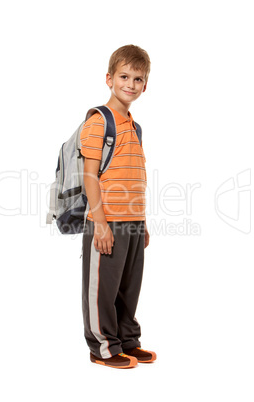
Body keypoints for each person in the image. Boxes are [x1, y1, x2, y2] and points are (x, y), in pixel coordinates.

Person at [80, 44, 156, 369]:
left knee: (128, 288)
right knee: (102, 290)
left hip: (133, 222)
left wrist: (142, 223)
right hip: (107, 220)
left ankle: (126, 340)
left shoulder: (135, 127)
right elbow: (90, 176)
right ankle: (103, 347)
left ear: (145, 84)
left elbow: (132, 177)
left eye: (138, 78)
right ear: (109, 78)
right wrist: (99, 222)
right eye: (124, 76)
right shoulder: (100, 121)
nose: (131, 84)